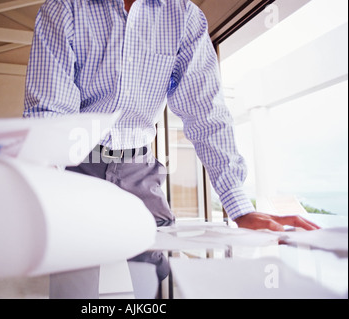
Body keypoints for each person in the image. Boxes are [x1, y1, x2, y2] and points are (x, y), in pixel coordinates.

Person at [23, 0, 320, 297]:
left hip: (138, 167)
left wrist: (240, 208)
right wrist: (46, 189)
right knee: (73, 276)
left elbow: (205, 112)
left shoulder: (184, 16)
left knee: (154, 278)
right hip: (76, 164)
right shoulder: (66, 7)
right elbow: (50, 112)